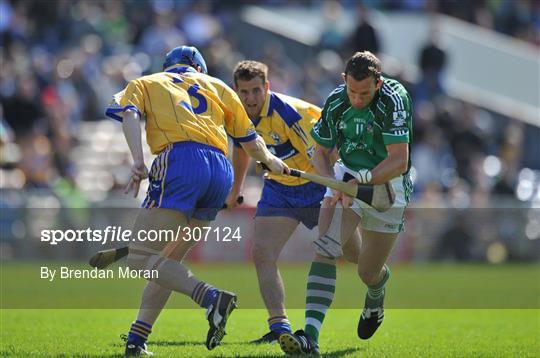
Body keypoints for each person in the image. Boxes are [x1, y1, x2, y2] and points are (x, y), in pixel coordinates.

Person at [106, 46, 288, 356]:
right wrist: (271, 159)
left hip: (179, 163)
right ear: (199, 70)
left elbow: (129, 113)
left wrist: (138, 161)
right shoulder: (218, 86)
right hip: (220, 171)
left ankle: (210, 297)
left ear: (168, 67)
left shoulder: (148, 81)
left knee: (139, 257)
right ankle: (137, 338)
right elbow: (249, 141)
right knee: (168, 261)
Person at [279, 51, 413, 355]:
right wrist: (335, 183)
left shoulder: (394, 99)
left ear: (378, 83)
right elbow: (320, 153)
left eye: (364, 93)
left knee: (367, 271)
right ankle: (310, 337)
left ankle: (377, 290)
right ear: (344, 81)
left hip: (386, 186)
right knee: (327, 247)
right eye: (352, 90)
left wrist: (358, 184)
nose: (356, 99)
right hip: (349, 175)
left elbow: (399, 160)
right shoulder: (337, 100)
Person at [227, 60, 361, 344]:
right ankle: (280, 328)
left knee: (356, 256)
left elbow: (323, 154)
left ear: (266, 87)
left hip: (317, 186)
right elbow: (242, 149)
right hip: (280, 190)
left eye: (255, 91)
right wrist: (235, 188)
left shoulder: (291, 114)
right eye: (243, 92)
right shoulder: (238, 114)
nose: (250, 98)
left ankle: (376, 282)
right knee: (262, 252)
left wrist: (338, 188)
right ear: (235, 90)